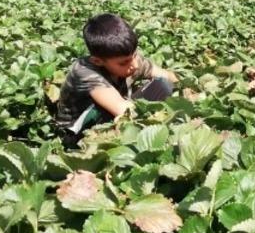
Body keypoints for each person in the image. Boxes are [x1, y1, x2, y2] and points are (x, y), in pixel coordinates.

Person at [54, 13, 177, 147]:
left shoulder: (127, 60)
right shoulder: (84, 72)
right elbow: (123, 110)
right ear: (98, 61)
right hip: (77, 133)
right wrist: (164, 119)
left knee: (162, 85)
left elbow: (169, 77)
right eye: (124, 63)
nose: (135, 65)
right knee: (107, 111)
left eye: (134, 55)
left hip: (117, 110)